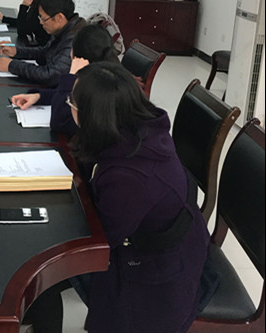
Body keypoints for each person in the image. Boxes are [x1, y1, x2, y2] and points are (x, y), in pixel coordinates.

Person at [68, 61, 211, 333]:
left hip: (160, 276)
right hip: (168, 241)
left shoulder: (130, 178)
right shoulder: (136, 128)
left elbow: (100, 240)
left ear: (93, 115)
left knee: (57, 265)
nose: (69, 107)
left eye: (72, 103)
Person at [10, 24, 118, 135]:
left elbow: (59, 122)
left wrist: (71, 76)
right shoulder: (104, 74)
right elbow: (66, 94)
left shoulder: (100, 88)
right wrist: (39, 97)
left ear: (78, 58)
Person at [0, 0, 85, 87]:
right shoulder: (63, 29)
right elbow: (44, 52)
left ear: (59, 18)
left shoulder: (75, 39)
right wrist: (17, 51)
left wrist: (12, 66)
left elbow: (51, 75)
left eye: (44, 19)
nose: (41, 22)